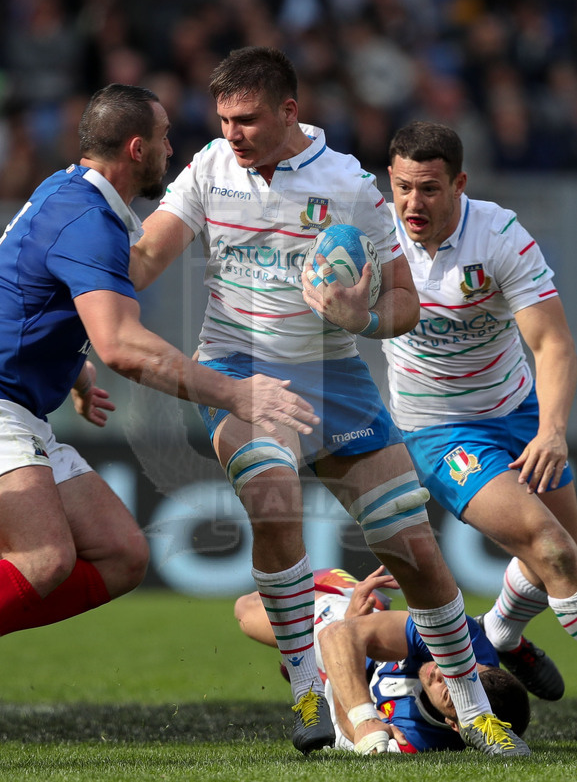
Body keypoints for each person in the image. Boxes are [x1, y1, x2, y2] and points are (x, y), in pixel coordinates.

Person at [131, 47, 529, 756]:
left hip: (335, 376)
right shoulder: (208, 169)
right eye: (223, 119)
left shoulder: (347, 184)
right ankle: (307, 685)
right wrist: (77, 280)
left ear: (289, 111)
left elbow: (404, 301)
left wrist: (359, 317)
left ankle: (473, 708)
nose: (232, 133)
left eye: (247, 119)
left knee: (415, 553)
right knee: (271, 489)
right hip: (238, 365)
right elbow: (146, 257)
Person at [0, 83, 321, 664]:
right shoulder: (87, 221)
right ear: (136, 149)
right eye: (165, 135)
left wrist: (72, 371)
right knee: (43, 560)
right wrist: (234, 393)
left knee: (122, 553)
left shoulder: (66, 194)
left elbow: (24, 295)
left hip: (20, 404)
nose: (173, 147)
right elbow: (122, 345)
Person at [384, 119, 577, 703]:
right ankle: (502, 633)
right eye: (402, 187)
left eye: (430, 189)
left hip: (516, 410)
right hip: (436, 430)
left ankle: (499, 632)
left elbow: (552, 343)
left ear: (460, 184)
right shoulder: (370, 233)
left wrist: (551, 429)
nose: (412, 203)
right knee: (553, 550)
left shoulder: (499, 236)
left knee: (567, 547)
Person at [235, 567, 531, 754]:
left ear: (455, 725)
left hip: (338, 681)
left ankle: (312, 656)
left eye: (452, 698)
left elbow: (346, 735)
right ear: (479, 665)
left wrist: (331, 681)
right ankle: (505, 635)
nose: (441, 676)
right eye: (466, 678)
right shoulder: (465, 642)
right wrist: (352, 620)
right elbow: (340, 635)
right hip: (358, 630)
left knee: (246, 614)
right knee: (247, 608)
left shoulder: (417, 742)